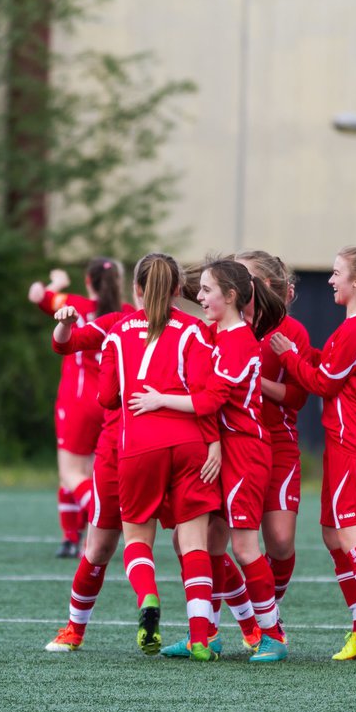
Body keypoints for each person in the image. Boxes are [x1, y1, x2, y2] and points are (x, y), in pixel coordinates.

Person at [130, 257, 290, 662]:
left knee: (245, 545)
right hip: (220, 449)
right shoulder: (212, 332)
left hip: (245, 452)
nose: (198, 297)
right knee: (204, 541)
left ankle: (272, 636)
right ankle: (206, 633)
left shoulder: (238, 342)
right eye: (196, 289)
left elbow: (210, 399)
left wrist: (159, 399)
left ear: (231, 296)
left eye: (206, 290)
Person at [270, 245, 356, 663]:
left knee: (349, 532)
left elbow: (320, 383)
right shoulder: (355, 326)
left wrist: (288, 357)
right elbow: (328, 365)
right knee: (333, 533)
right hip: (344, 438)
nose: (330, 280)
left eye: (337, 274)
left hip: (355, 440)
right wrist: (297, 352)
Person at [99, 253, 222, 661]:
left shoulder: (117, 332)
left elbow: (106, 397)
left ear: (136, 287)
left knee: (136, 538)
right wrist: (215, 443)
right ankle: (200, 636)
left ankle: (148, 597)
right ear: (176, 289)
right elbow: (207, 395)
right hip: (190, 444)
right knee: (192, 542)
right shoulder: (194, 330)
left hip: (139, 444)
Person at [43, 300, 132, 652]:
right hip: (181, 442)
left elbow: (61, 337)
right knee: (192, 543)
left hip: (121, 435)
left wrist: (51, 289)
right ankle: (224, 631)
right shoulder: (192, 328)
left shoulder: (118, 321)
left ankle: (74, 631)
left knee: (100, 541)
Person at [27, 259, 123, 557]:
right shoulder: (127, 313)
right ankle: (73, 539)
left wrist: (56, 281)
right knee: (90, 472)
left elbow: (35, 294)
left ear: (88, 280)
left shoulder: (74, 304)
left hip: (78, 399)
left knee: (70, 473)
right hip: (110, 400)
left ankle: (100, 517)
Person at [238, 250, 312, 601]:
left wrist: (255, 380)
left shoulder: (291, 331)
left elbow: (298, 396)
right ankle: (230, 620)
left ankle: (269, 608)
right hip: (232, 443)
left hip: (277, 442)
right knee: (208, 540)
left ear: (263, 285)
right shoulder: (225, 324)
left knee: (280, 542)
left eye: (241, 276)